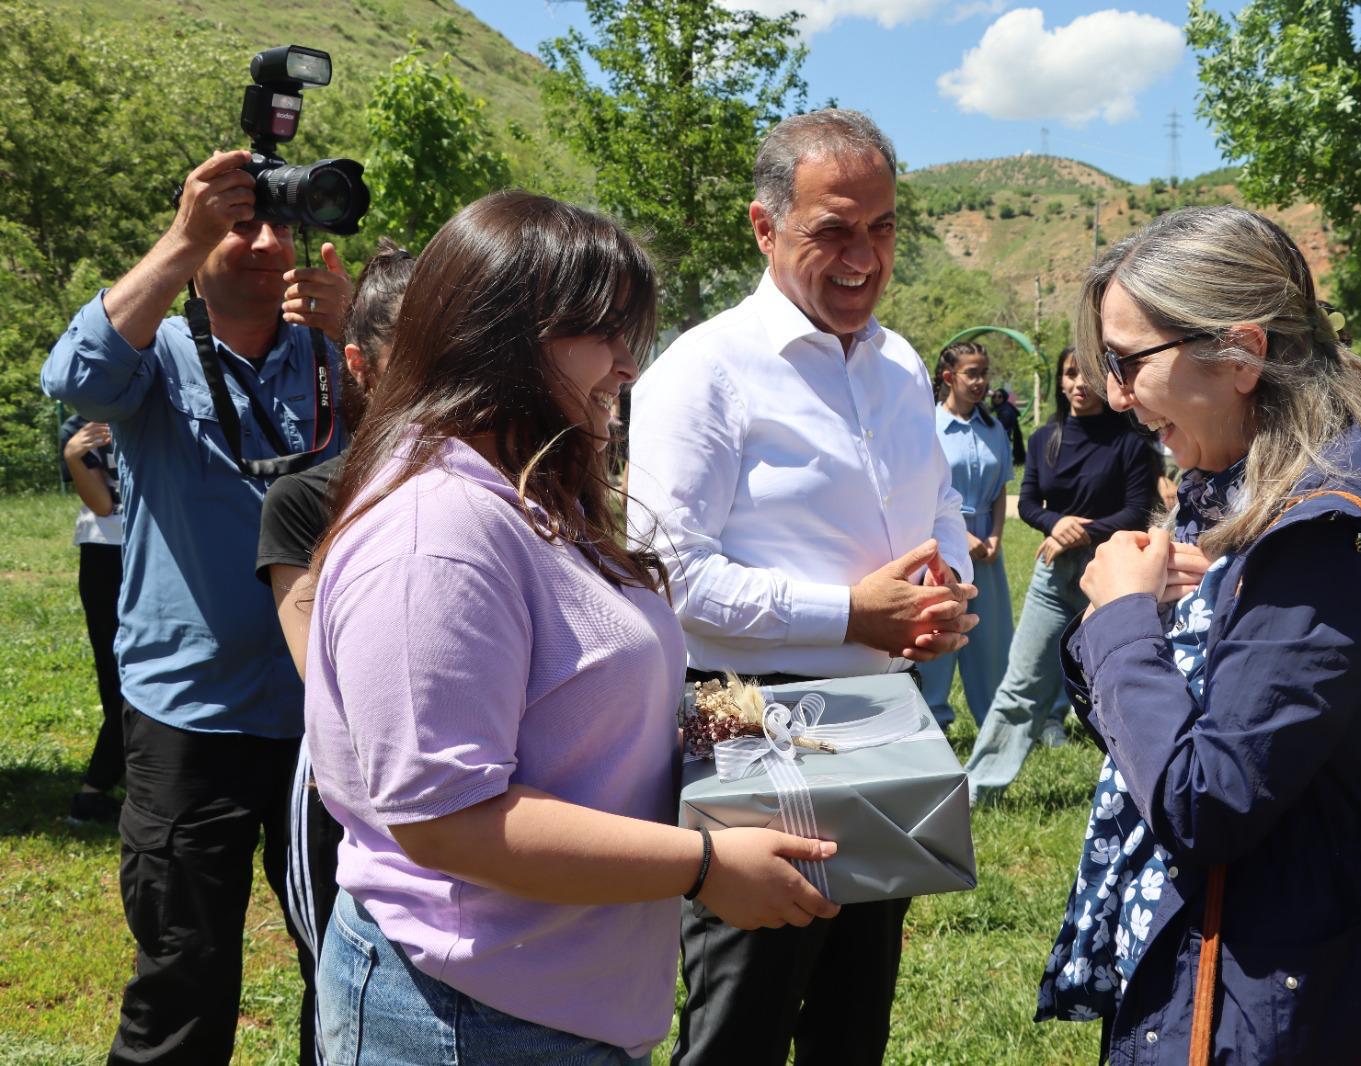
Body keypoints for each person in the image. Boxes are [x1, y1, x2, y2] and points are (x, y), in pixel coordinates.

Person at [304, 191, 838, 1066]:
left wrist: (701, 732)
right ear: (498, 338)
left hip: (550, 1006)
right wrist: (704, 865)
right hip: (468, 1017)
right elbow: (449, 820)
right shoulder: (433, 536)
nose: (628, 365)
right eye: (604, 335)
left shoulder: (526, 491)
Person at [1034, 205, 1361, 1064]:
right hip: (1220, 973)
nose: (1115, 393)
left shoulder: (1321, 535)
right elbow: (1143, 735)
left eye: (1127, 360)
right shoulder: (1242, 504)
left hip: (1259, 1001)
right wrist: (1136, 625)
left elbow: (1203, 800)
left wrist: (1119, 627)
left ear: (1242, 355)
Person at [625, 108, 978, 1066]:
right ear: (764, 226)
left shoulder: (904, 365)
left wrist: (946, 582)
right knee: (744, 1012)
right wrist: (852, 612)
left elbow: (938, 506)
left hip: (884, 714)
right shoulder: (702, 375)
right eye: (834, 230)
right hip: (744, 718)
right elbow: (669, 574)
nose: (864, 256)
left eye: (883, 227)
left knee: (855, 1013)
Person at [40, 149, 353, 1065]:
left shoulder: (335, 355)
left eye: (278, 223)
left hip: (323, 712)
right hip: (191, 713)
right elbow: (77, 379)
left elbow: (427, 454)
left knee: (344, 954)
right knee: (184, 968)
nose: (262, 241)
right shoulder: (156, 355)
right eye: (239, 223)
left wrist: (369, 346)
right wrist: (185, 234)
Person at [252, 237, 416, 1061]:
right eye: (412, 358)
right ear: (359, 363)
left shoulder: (510, 487)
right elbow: (330, 683)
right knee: (342, 1002)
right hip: (343, 805)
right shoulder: (305, 500)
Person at [964, 346, 1157, 803]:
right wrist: (1057, 525)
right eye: (1070, 374)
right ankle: (974, 792)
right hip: (1052, 579)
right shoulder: (1044, 437)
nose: (1078, 385)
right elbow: (1029, 502)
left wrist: (1081, 532)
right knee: (1021, 686)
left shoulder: (1130, 441)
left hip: (1114, 577)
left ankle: (1140, 793)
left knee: (1124, 690)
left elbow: (1139, 510)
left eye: (1088, 375)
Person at [921, 340, 1014, 730]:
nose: (980, 382)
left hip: (988, 553)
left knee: (992, 645)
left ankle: (993, 728)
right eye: (971, 373)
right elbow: (924, 492)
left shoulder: (994, 429)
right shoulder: (928, 427)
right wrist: (962, 538)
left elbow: (1000, 492)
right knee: (939, 635)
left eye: (984, 373)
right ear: (948, 377)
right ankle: (932, 723)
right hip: (941, 549)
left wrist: (994, 536)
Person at [59, 414, 125, 825]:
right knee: (118, 677)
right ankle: (95, 790)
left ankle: (104, 786)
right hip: (107, 554)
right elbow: (102, 504)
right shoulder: (77, 430)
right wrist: (72, 456)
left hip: (167, 545)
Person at [991, 385, 1027, 464]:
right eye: (994, 396)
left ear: (1004, 397)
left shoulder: (1006, 410)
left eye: (999, 396)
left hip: (1006, 435)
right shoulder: (1000, 407)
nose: (996, 398)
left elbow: (1003, 426)